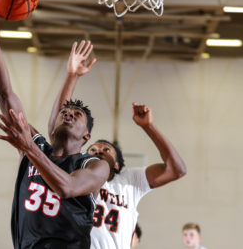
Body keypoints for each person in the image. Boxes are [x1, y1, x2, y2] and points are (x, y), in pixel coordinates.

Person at [0, 0, 109, 248]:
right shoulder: (37, 146)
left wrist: (28, 146)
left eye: (77, 114)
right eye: (65, 111)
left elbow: (67, 188)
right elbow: (3, 91)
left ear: (87, 135)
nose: (68, 115)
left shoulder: (94, 166)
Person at [47, 42, 187, 249]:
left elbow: (176, 170)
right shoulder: (79, 172)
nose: (97, 152)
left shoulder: (131, 180)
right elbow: (59, 129)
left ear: (118, 165)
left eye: (106, 150)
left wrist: (149, 126)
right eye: (93, 150)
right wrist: (71, 76)